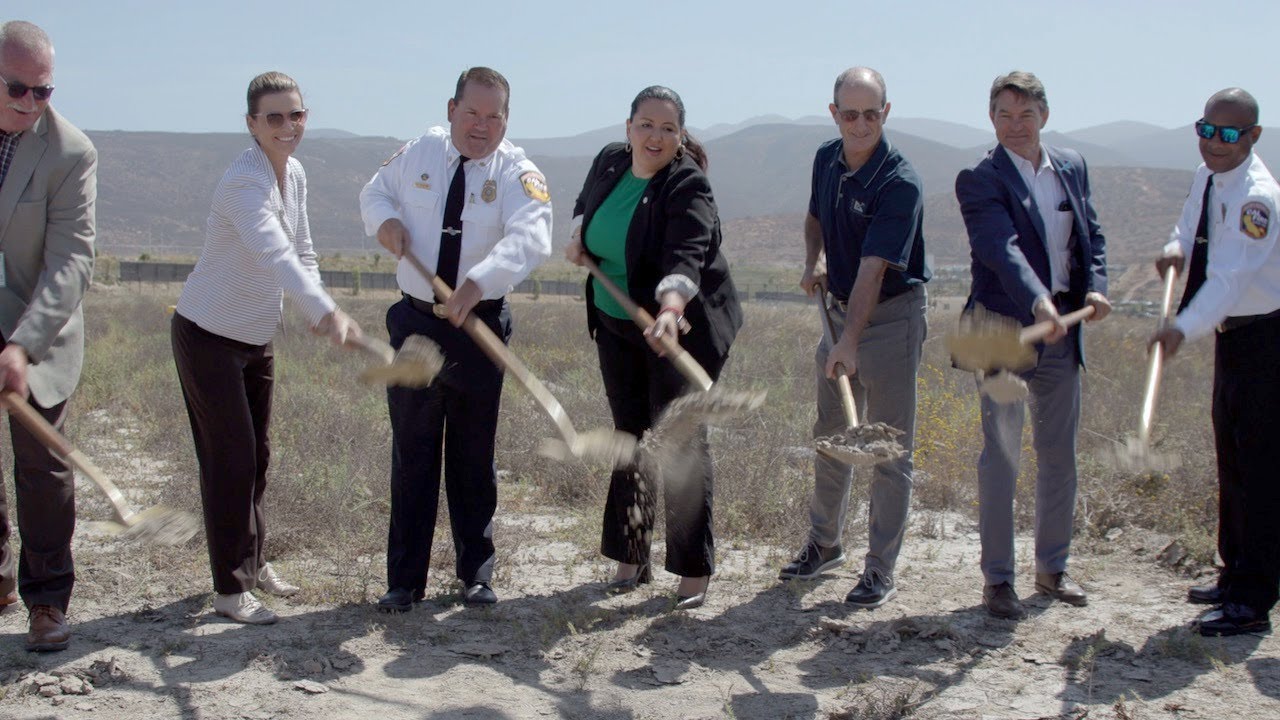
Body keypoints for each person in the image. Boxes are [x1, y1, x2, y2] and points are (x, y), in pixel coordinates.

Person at [359, 67, 552, 611]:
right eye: (472, 113)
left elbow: (531, 238)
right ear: (451, 109)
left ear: (506, 120)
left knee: (473, 455)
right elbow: (374, 194)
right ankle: (404, 582)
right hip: (416, 323)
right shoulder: (419, 152)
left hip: (479, 326)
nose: (481, 126)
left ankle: (476, 574)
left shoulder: (518, 171)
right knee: (413, 452)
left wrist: (477, 282)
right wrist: (385, 222)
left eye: (494, 116)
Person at [173, 71, 360, 625]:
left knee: (257, 458)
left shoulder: (294, 173)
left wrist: (316, 301)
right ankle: (231, 591)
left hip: (256, 338)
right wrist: (321, 310)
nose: (287, 126)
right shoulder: (242, 183)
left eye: (296, 115)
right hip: (207, 334)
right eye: (274, 117)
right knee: (229, 459)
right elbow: (273, 251)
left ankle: (252, 563)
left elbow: (302, 249)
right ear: (252, 124)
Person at [565, 85, 742, 610]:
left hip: (682, 327)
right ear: (628, 127)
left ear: (680, 135)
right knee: (631, 437)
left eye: (667, 128)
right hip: (616, 321)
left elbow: (685, 255)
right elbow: (586, 208)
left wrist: (669, 308)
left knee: (678, 442)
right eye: (646, 124)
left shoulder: (687, 184)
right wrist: (578, 235)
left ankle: (692, 572)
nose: (655, 136)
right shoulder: (609, 162)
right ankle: (630, 555)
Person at [954, 71, 1111, 619]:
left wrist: (1097, 287)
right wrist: (1040, 301)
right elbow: (1002, 248)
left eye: (1025, 114)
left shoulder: (1072, 166)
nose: (1015, 125)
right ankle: (999, 581)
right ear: (991, 119)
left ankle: (1053, 570)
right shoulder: (979, 177)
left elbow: (1091, 234)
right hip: (1003, 332)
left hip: (1065, 330)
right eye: (1004, 115)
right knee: (1001, 457)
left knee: (1058, 455)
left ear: (1044, 114)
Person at [777, 67, 930, 610]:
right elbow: (816, 216)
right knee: (833, 435)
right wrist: (813, 258)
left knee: (887, 446)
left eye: (871, 114)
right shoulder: (827, 158)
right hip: (838, 311)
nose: (860, 124)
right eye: (850, 114)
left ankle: (879, 570)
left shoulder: (900, 181)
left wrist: (848, 344)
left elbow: (873, 270)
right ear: (834, 113)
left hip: (890, 317)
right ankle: (824, 544)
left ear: (885, 113)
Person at [1151, 88, 1280, 637]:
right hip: (1233, 339)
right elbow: (1188, 226)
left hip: (1267, 340)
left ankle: (1252, 600)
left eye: (1229, 135)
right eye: (1206, 129)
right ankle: (1233, 575)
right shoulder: (1207, 175)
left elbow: (1229, 279)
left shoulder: (1259, 200)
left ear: (1252, 136)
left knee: (1260, 469)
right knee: (1231, 457)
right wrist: (1175, 248)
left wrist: (1182, 327)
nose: (1214, 143)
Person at [0, 20, 95, 652]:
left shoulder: (69, 152)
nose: (33, 103)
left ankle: (47, 599)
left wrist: (21, 344)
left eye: (44, 91)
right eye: (18, 89)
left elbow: (71, 261)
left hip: (37, 330)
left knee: (44, 471)